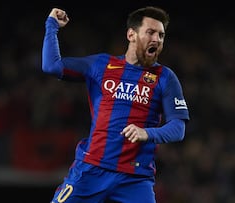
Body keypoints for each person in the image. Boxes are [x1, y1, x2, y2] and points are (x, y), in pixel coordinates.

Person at [42, 6, 190, 203]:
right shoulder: (101, 65)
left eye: (161, 35)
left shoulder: (165, 78)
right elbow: (51, 66)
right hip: (91, 169)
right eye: (151, 32)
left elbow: (178, 128)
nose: (157, 39)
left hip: (135, 179)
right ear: (131, 34)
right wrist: (51, 25)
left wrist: (147, 133)